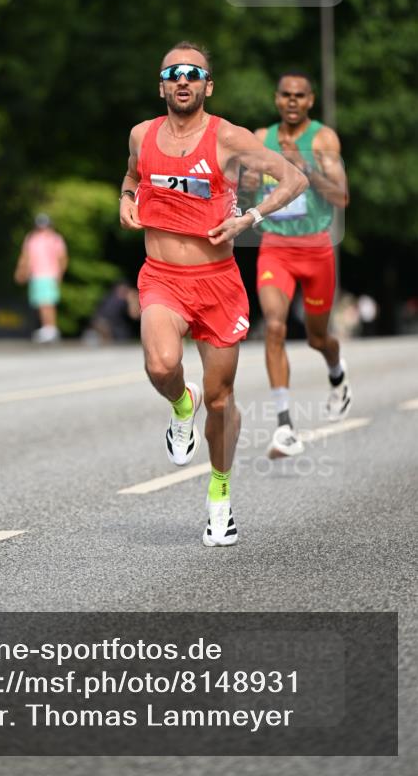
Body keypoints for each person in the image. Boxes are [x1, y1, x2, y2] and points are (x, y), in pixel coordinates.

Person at [120, 41, 307, 546]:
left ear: (207, 85)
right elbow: (134, 175)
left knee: (222, 401)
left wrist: (250, 217)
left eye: (193, 74)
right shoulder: (142, 136)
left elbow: (293, 178)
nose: (183, 80)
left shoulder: (229, 138)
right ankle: (183, 406)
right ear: (162, 86)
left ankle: (219, 496)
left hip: (218, 285)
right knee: (160, 365)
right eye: (174, 73)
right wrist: (127, 196)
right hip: (161, 277)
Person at [240, 71, 351, 459]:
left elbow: (341, 197)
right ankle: (285, 427)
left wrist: (306, 169)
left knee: (317, 338)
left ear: (310, 101)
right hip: (276, 248)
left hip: (316, 248)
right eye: (285, 94)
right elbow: (245, 191)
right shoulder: (260, 138)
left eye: (299, 95)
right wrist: (251, 181)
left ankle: (337, 374)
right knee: (274, 326)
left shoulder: (322, 139)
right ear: (276, 99)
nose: (291, 101)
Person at [14, 214, 68, 343]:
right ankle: (47, 327)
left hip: (49, 273)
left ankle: (50, 328)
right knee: (40, 302)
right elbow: (25, 256)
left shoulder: (55, 239)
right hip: (35, 274)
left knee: (47, 302)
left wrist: (60, 273)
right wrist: (21, 271)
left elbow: (63, 258)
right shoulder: (31, 238)